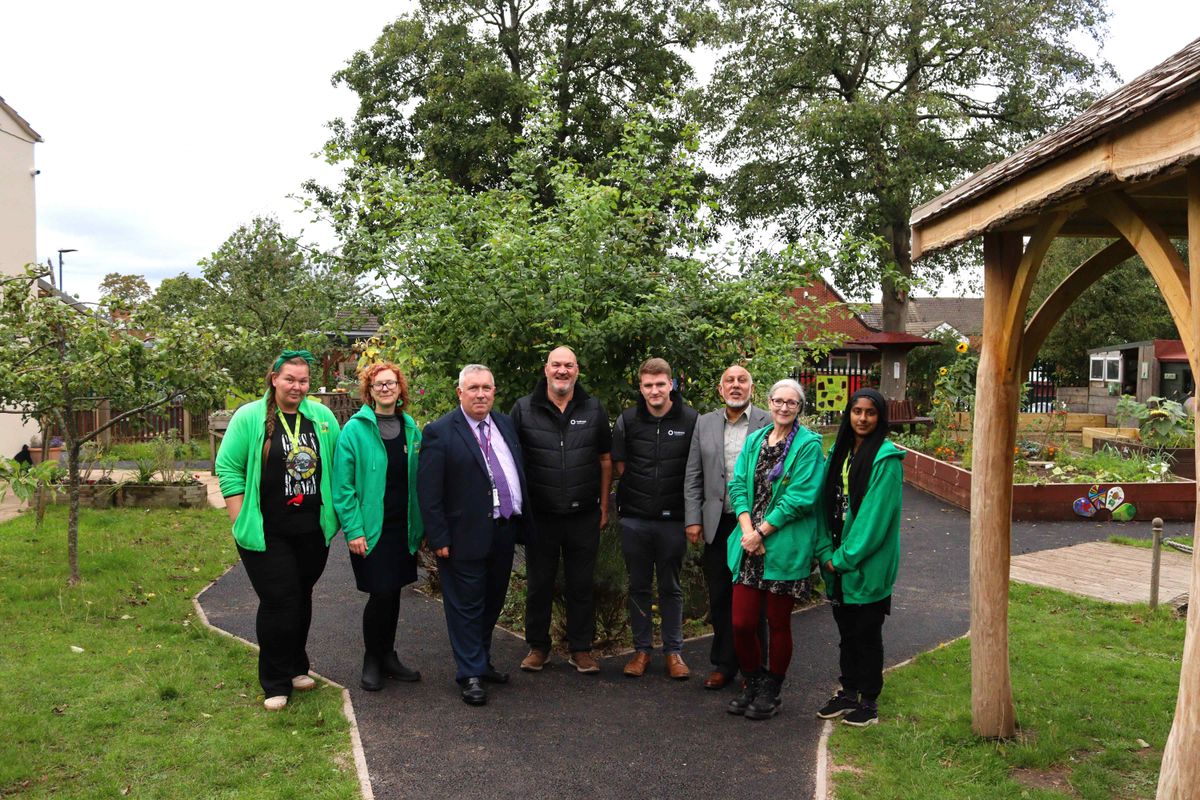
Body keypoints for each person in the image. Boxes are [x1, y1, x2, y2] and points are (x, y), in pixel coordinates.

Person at [214, 350, 341, 711]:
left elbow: (336, 464)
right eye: (290, 379)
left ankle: (297, 665)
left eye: (303, 380)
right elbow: (228, 468)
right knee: (279, 600)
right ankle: (274, 680)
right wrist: (239, 518)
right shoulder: (250, 417)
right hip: (267, 531)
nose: (297, 387)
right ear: (274, 379)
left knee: (301, 596)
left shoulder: (322, 417)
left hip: (311, 530)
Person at [417, 364, 529, 706]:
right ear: (460, 392)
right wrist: (439, 539)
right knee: (466, 607)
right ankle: (469, 674)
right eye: (474, 388)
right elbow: (429, 491)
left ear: (494, 392)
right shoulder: (440, 432)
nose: (481, 394)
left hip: (503, 530)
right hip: (462, 536)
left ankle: (481, 662)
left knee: (492, 601)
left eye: (487, 388)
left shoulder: (505, 424)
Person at [725, 378, 824, 720]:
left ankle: (772, 688)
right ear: (768, 402)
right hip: (749, 545)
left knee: (778, 621)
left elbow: (801, 497)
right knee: (741, 622)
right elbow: (737, 484)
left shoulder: (809, 445)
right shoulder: (754, 441)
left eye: (791, 403)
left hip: (783, 546)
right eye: (778, 401)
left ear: (800, 407)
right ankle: (752, 682)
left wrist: (762, 532)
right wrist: (748, 530)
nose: (784, 407)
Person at [510, 346, 612, 674]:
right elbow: (511, 461)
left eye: (569, 365)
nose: (562, 371)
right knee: (539, 583)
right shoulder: (524, 409)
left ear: (577, 370)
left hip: (584, 514)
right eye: (557, 365)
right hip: (541, 516)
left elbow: (605, 460)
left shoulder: (593, 409)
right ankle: (538, 647)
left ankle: (581, 649)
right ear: (546, 369)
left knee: (581, 584)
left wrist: (604, 506)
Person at [333, 362, 424, 691]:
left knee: (394, 591)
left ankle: (388, 656)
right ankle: (372, 658)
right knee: (380, 593)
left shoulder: (411, 427)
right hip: (371, 528)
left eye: (391, 383)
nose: (385, 389)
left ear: (400, 389)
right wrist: (353, 529)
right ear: (369, 392)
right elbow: (342, 488)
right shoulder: (354, 431)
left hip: (404, 526)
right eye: (378, 385)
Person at [815, 388, 904, 727]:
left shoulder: (886, 460)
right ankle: (848, 690)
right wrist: (825, 551)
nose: (862, 418)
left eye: (870, 412)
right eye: (857, 411)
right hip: (835, 561)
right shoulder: (837, 453)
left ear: (880, 417)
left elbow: (873, 520)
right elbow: (822, 504)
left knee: (867, 633)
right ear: (848, 415)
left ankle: (869, 700)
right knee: (846, 631)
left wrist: (843, 558)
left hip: (864, 565)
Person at [684, 365, 771, 690]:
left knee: (753, 598)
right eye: (729, 381)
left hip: (755, 526)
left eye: (742, 380)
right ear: (720, 390)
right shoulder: (704, 423)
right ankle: (724, 664)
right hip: (717, 523)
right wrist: (693, 518)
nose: (736, 386)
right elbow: (693, 474)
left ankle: (754, 668)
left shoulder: (767, 420)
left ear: (752, 387)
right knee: (720, 595)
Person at [612, 358, 698, 679]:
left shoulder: (691, 420)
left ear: (671, 385)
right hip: (635, 518)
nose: (654, 390)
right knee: (638, 586)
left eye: (660, 384)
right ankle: (641, 651)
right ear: (641, 387)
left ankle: (674, 652)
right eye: (648, 385)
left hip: (674, 519)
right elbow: (621, 466)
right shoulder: (628, 420)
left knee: (671, 586)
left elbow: (695, 470)